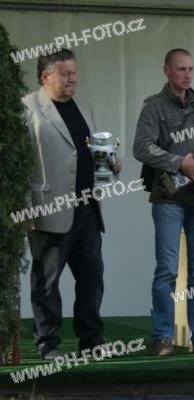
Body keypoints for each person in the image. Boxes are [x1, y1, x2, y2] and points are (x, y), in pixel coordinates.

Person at [23, 49, 120, 360]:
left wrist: (110, 165)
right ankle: (48, 344)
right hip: (47, 209)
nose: (73, 78)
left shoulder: (84, 106)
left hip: (88, 207)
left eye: (75, 72)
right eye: (65, 74)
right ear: (45, 77)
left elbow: (91, 153)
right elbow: (16, 165)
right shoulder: (26, 108)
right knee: (47, 282)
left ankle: (92, 341)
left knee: (92, 278)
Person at [133, 48, 194, 356]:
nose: (187, 75)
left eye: (190, 69)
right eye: (181, 69)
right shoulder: (153, 106)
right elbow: (141, 148)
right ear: (167, 70)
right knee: (167, 270)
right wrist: (179, 163)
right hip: (168, 198)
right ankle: (162, 336)